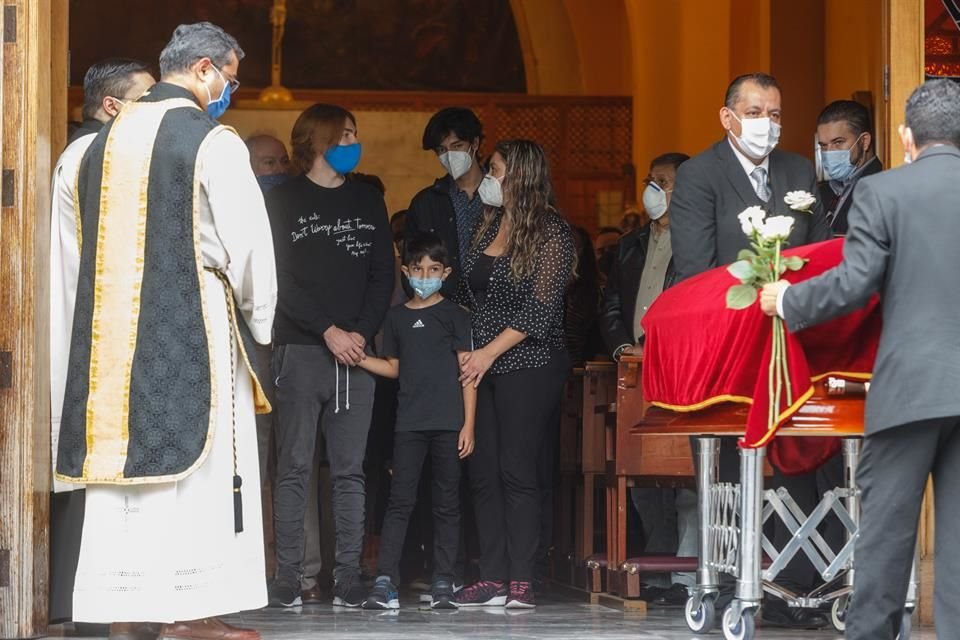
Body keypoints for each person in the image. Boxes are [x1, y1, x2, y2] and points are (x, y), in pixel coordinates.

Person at [55, 22, 276, 640]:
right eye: (229, 78)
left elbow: (73, 259)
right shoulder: (212, 142)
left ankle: (125, 611)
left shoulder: (89, 149)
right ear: (204, 69)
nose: (228, 91)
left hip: (108, 338)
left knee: (124, 478)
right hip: (195, 324)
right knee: (197, 473)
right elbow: (250, 247)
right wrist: (259, 319)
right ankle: (188, 612)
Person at [760, 78, 960, 640]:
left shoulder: (884, 194)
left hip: (909, 390)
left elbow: (853, 285)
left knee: (885, 537)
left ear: (904, 137)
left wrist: (790, 300)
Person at [669, 72, 832, 630]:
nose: (769, 124)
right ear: (728, 117)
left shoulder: (797, 172)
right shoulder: (698, 175)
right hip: (728, 343)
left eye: (777, 113)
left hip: (793, 343)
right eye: (757, 111)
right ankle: (733, 582)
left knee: (799, 463)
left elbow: (817, 256)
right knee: (731, 473)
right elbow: (694, 269)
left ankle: (799, 586)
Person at [265, 103, 394, 608]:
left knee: (350, 469)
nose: (353, 143)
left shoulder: (367, 200)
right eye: (346, 134)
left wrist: (358, 334)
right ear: (318, 141)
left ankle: (347, 577)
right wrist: (328, 331)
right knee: (293, 466)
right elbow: (281, 279)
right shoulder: (284, 200)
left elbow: (383, 273)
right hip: (300, 350)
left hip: (356, 356)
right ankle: (288, 577)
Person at [48, 57, 155, 626]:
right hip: (88, 332)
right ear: (112, 107)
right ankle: (85, 604)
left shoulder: (86, 150)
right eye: (144, 98)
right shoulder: (97, 155)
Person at [457, 139, 575, 609]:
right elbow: (469, 296)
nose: (489, 176)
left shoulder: (551, 232)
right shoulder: (486, 227)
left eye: (497, 169)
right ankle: (493, 574)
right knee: (482, 470)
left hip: (528, 363)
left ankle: (524, 577)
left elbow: (540, 309)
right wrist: (467, 351)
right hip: (480, 363)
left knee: (517, 470)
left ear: (520, 176)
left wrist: (487, 354)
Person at [357, 231, 476, 610]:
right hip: (408, 424)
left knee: (446, 503)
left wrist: (468, 424)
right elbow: (393, 368)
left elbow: (467, 373)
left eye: (433, 269)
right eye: (418, 268)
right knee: (399, 503)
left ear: (446, 272)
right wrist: (357, 357)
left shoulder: (456, 315)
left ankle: (445, 580)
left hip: (448, 424)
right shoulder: (395, 319)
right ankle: (386, 581)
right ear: (406, 271)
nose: (425, 275)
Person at [598, 152, 695, 605]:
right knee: (640, 469)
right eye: (651, 180)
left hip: (681, 364)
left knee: (687, 471)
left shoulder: (700, 238)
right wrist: (622, 347)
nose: (654, 189)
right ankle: (658, 568)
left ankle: (688, 573)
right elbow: (612, 301)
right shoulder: (633, 243)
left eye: (665, 182)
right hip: (634, 366)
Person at [405, 107, 485, 304]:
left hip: (496, 314)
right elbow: (411, 266)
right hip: (444, 313)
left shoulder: (504, 197)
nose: (449, 155)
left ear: (475, 143)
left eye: (456, 146)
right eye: (441, 150)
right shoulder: (425, 203)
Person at [815, 100, 883, 235]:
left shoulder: (881, 187)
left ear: (864, 141)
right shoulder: (823, 190)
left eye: (838, 142)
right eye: (823, 145)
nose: (829, 152)